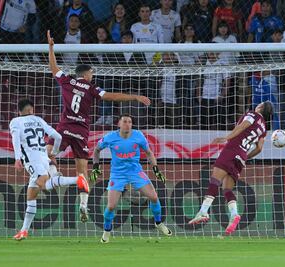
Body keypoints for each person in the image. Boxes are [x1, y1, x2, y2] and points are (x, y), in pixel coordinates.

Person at [46, 30, 151, 223]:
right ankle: (83, 205)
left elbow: (53, 68)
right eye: (92, 73)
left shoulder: (66, 80)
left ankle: (55, 175)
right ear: (86, 74)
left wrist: (51, 48)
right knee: (82, 171)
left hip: (64, 128)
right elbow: (111, 96)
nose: (92, 75)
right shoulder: (92, 88)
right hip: (81, 132)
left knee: (47, 153)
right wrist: (134, 97)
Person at [188, 102, 273, 235]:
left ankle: (203, 211)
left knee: (215, 180)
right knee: (227, 189)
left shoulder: (253, 114)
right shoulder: (264, 129)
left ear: (261, 108)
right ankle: (234, 214)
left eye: (260, 104)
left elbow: (243, 125)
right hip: (242, 156)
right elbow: (259, 148)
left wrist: (226, 138)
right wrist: (245, 156)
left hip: (233, 148)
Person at [10, 99, 89, 240]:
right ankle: (24, 231)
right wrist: (54, 152)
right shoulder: (39, 120)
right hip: (44, 157)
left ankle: (78, 179)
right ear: (31, 110)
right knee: (31, 196)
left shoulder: (15, 121)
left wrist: (17, 159)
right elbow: (57, 136)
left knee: (46, 185)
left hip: (32, 160)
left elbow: (16, 139)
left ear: (19, 111)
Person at [91, 114, 172, 243]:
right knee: (111, 206)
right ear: (119, 124)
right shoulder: (110, 137)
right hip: (118, 174)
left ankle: (158, 222)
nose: (127, 124)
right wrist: (95, 166)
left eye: (129, 122)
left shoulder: (138, 136)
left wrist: (156, 169)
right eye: (124, 121)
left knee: (154, 197)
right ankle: (107, 231)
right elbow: (96, 150)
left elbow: (149, 153)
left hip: (135, 172)